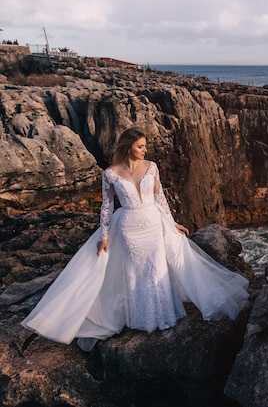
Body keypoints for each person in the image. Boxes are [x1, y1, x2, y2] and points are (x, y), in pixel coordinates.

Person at [22, 128, 249, 351]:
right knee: (136, 272)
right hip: (130, 228)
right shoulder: (110, 173)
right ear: (128, 146)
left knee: (156, 268)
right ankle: (141, 319)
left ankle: (164, 315)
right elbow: (107, 206)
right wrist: (103, 237)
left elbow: (160, 199)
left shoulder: (151, 167)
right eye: (140, 146)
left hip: (153, 223)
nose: (144, 150)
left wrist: (172, 223)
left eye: (144, 146)